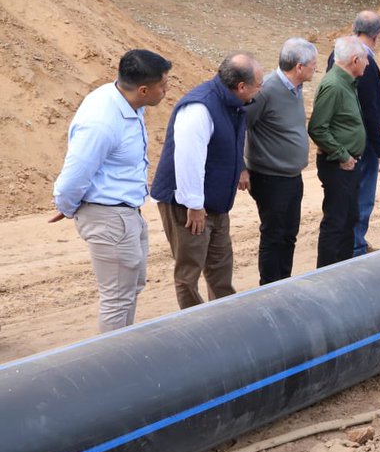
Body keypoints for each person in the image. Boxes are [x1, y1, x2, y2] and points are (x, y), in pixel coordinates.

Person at [50, 49, 173, 333]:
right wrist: (67, 205)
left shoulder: (127, 101)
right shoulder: (102, 122)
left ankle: (121, 352)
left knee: (131, 287)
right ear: (143, 90)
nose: (167, 90)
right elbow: (75, 174)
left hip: (125, 212)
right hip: (108, 216)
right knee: (117, 298)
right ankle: (111, 368)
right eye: (163, 85)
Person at [151, 53, 263, 310]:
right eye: (259, 84)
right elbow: (188, 160)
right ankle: (195, 324)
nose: (261, 89)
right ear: (242, 86)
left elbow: (229, 142)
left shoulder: (234, 103)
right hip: (187, 205)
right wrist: (194, 205)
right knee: (189, 270)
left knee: (220, 266)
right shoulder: (200, 108)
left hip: (215, 201)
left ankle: (224, 317)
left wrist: (241, 169)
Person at [244, 38, 317, 285]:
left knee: (289, 234)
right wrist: (241, 168)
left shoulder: (295, 89)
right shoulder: (266, 90)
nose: (315, 69)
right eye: (313, 65)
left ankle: (283, 283)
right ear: (299, 67)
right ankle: (268, 289)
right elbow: (240, 127)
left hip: (291, 176)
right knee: (274, 235)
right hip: (270, 177)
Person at [326, 11, 380, 256]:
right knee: (362, 198)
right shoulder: (365, 62)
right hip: (362, 141)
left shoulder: (338, 53)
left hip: (345, 138)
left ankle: (351, 244)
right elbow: (370, 111)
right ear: (377, 35)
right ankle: (356, 247)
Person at [309, 35, 369, 266]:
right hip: (338, 166)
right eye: (365, 59)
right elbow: (317, 128)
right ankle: (327, 273)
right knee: (337, 221)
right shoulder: (334, 85)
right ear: (355, 60)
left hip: (348, 164)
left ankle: (343, 269)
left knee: (349, 217)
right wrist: (343, 155)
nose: (368, 63)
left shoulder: (346, 82)